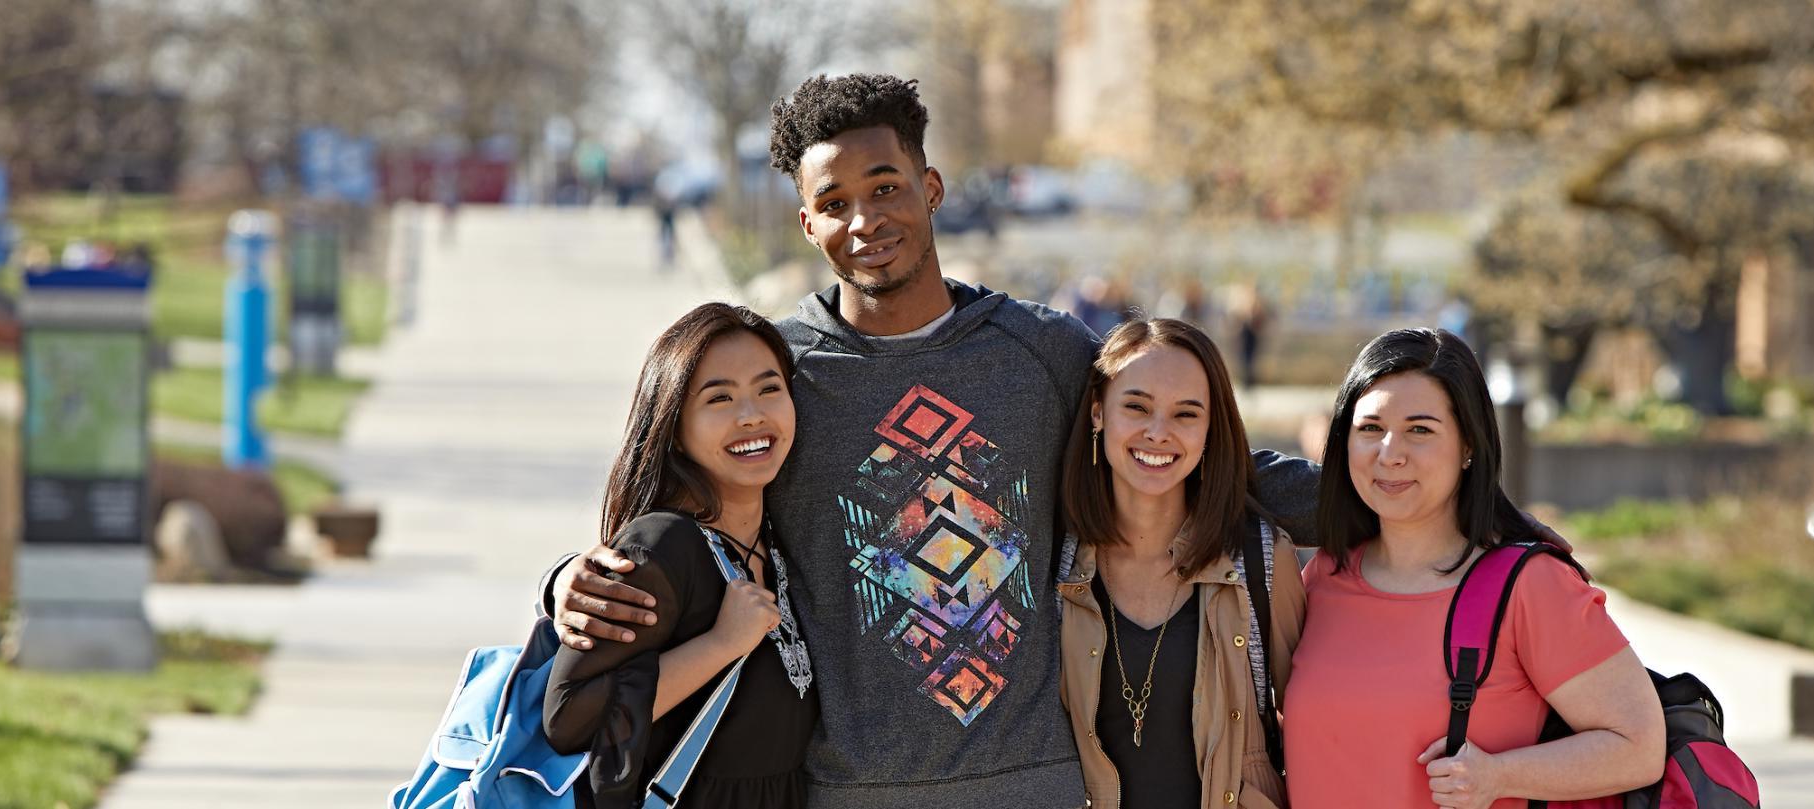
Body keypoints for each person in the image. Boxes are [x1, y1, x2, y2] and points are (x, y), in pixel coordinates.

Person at [535, 74, 1321, 808]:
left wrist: (1391, 492)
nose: (865, 220)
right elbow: (680, 506)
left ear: (932, 188)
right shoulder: (779, 373)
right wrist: (567, 578)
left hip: (1032, 783)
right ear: (807, 222)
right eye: (834, 201)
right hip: (849, 788)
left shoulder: (1041, 350)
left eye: (886, 187)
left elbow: (1185, 454)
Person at [1281, 329, 1663, 809]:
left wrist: (1498, 776)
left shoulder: (1529, 586)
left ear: (1468, 447)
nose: (1389, 453)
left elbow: (1639, 746)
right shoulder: (1324, 575)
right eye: (1370, 429)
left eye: (1420, 430)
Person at [539, 303, 816, 808]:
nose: (751, 414)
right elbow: (570, 717)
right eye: (720, 398)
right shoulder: (663, 547)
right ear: (675, 426)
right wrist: (721, 644)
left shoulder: (783, 541)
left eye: (769, 389)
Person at [1055, 319, 1305, 809]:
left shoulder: (1261, 558)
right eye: (1137, 407)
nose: (1157, 433)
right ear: (1098, 411)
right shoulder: (1052, 562)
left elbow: (1312, 726)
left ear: (1212, 428)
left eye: (1185, 415)